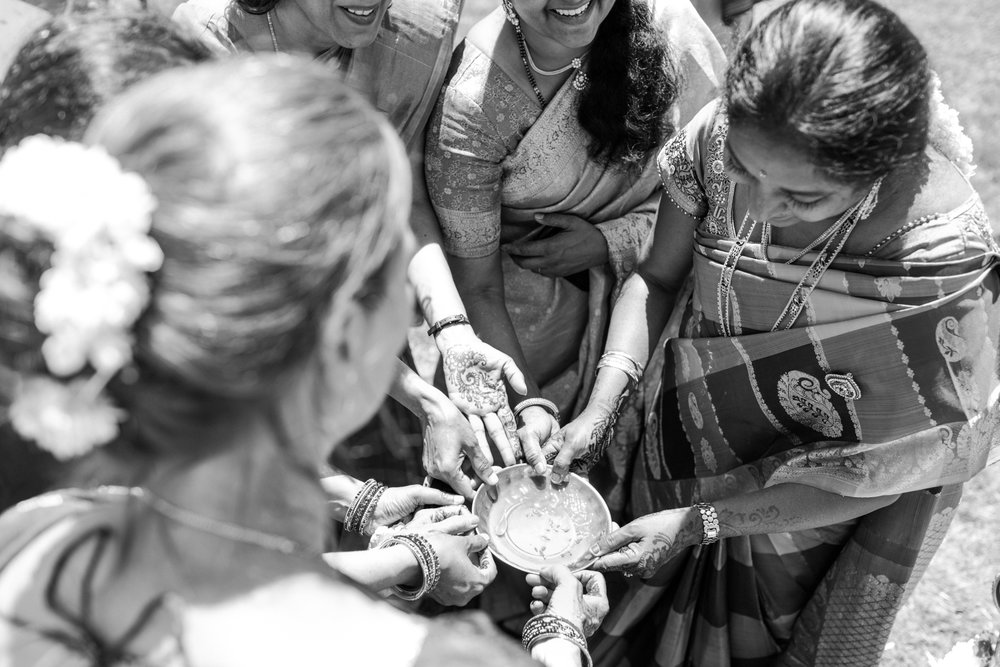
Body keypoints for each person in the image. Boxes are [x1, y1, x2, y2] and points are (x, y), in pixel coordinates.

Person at [0, 55, 607, 666]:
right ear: (347, 340)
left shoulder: (36, 536)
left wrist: (385, 534)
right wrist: (560, 638)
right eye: (399, 276)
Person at [550, 0, 1000, 664]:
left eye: (804, 198)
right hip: (681, 442)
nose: (758, 208)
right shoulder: (723, 135)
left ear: (883, 163)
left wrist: (702, 523)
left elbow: (890, 468)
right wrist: (600, 406)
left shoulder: (939, 265)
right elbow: (658, 277)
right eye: (743, 167)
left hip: (805, 521)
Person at [172, 0, 528, 498]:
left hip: (368, 329)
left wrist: (453, 332)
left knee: (401, 506)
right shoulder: (209, 54)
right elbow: (266, 281)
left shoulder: (409, 34)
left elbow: (398, 192)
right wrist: (423, 398)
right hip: (252, 344)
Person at [424, 0, 726, 474]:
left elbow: (720, 190)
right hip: (522, 330)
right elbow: (477, 285)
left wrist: (610, 241)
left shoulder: (669, 29)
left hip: (657, 305)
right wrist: (529, 404)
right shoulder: (472, 105)